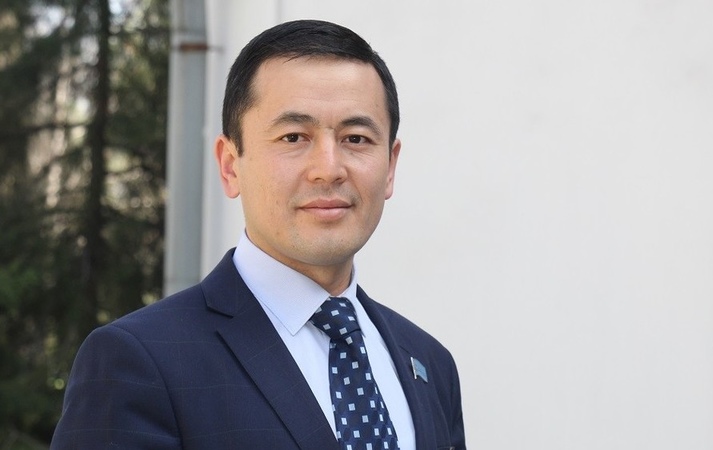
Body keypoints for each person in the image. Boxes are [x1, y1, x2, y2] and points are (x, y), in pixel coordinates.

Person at [51, 19, 466, 450]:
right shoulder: (140, 361)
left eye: (356, 138)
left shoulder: (430, 365)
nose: (328, 169)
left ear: (390, 167)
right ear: (231, 165)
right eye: (293, 137)